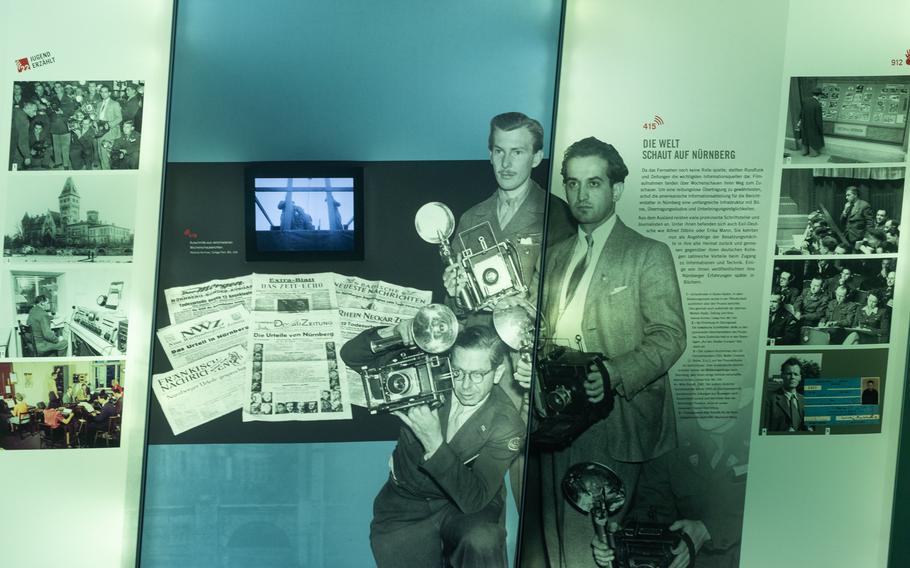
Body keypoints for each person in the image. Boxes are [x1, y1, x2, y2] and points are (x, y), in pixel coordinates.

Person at [527, 137, 686, 567]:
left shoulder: (648, 254)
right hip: (558, 419)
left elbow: (671, 335)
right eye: (573, 183)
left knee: (599, 550)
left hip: (616, 421)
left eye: (594, 183)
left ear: (616, 189)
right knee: (561, 545)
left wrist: (613, 373)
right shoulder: (553, 257)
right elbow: (536, 330)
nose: (581, 194)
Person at [340, 323, 524, 567]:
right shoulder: (426, 374)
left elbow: (474, 498)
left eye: (478, 374)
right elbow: (351, 356)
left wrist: (434, 441)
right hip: (407, 501)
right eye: (457, 372)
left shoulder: (507, 424)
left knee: (482, 541)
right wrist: (394, 333)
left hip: (463, 504)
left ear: (498, 373)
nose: (466, 386)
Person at [762, 358, 808, 432]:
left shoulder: (804, 400)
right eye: (789, 374)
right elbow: (764, 429)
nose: (793, 377)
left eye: (796, 374)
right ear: (782, 375)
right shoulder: (769, 399)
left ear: (800, 377)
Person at [95, 84, 122, 169]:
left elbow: (119, 118)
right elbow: (97, 117)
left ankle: (106, 172)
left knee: (105, 155)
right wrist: (94, 122)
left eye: (105, 92)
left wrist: (109, 124)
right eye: (101, 92)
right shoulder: (99, 104)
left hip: (109, 132)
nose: (103, 94)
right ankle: (105, 170)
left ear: (109, 93)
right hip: (100, 131)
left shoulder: (115, 104)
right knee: (100, 153)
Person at [799, 87, 824, 157]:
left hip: (805, 123)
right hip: (813, 125)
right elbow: (818, 119)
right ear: (819, 95)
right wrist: (820, 128)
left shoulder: (805, 101)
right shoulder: (818, 105)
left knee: (805, 137)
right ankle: (813, 153)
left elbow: (801, 113)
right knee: (813, 138)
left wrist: (801, 121)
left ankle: (804, 152)